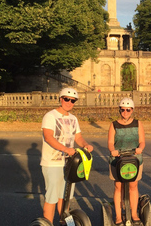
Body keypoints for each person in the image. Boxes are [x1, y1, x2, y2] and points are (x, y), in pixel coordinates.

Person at [40, 87, 94, 224]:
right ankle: (48, 223)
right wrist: (66, 149)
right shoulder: (50, 116)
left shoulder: (73, 119)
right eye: (66, 99)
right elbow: (48, 137)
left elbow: (78, 137)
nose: (69, 102)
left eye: (73, 100)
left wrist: (85, 145)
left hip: (69, 164)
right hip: (52, 163)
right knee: (52, 198)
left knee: (64, 199)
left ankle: (66, 224)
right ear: (60, 99)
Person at [108, 97, 146, 226]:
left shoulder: (138, 123)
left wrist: (140, 148)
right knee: (118, 186)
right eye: (123, 110)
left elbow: (142, 141)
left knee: (133, 185)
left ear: (132, 110)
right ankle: (118, 216)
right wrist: (113, 150)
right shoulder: (114, 124)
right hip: (117, 159)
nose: (125, 112)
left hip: (134, 159)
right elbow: (110, 143)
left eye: (128, 110)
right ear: (119, 110)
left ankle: (134, 213)